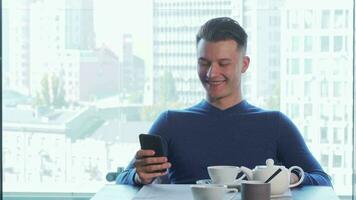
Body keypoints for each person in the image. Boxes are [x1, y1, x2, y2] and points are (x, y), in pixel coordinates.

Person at [116, 17, 332, 187]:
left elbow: (322, 180)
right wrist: (139, 176)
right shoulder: (171, 122)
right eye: (204, 63)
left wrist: (290, 178)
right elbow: (123, 179)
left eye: (224, 63)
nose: (212, 72)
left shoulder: (274, 123)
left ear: (244, 64)